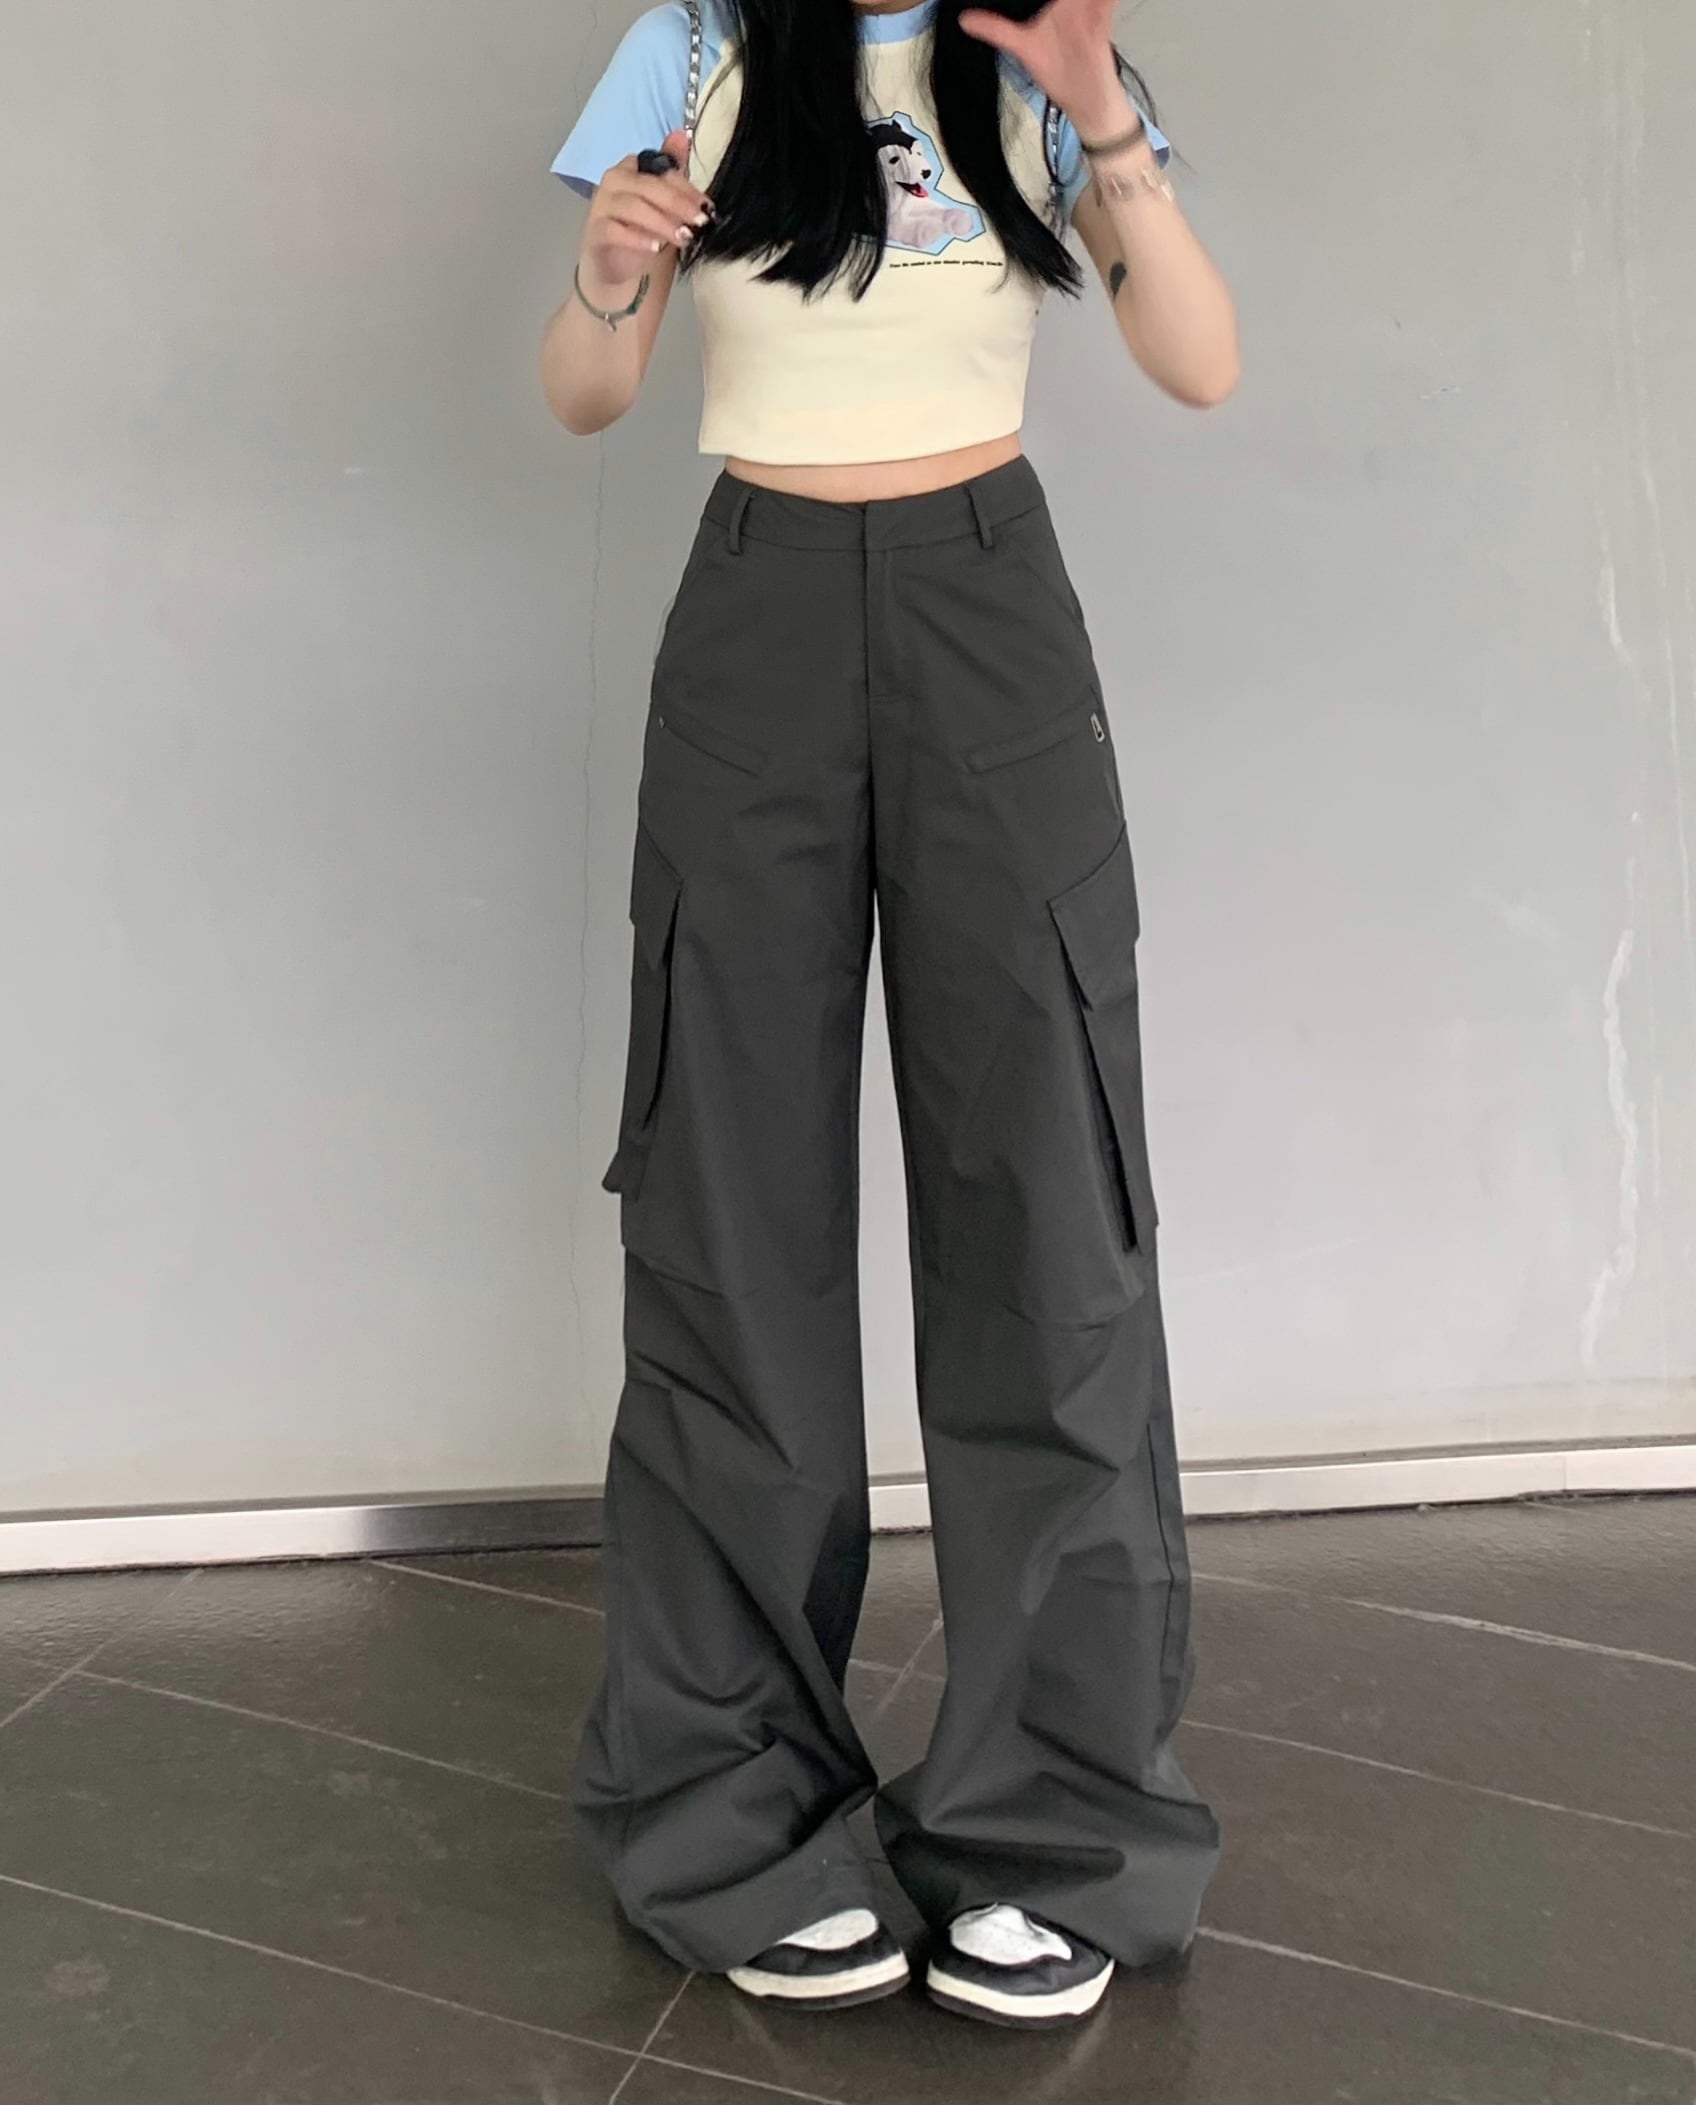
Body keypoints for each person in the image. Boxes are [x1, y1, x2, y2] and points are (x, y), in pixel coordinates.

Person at [542, 0, 1238, 2031]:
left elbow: (1198, 359)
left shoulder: (1039, 50)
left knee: (1048, 1206)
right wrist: (604, 279)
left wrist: (1106, 126)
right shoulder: (688, 45)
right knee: (726, 1209)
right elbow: (582, 390)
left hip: (983, 595)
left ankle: (1056, 1832)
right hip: (754, 601)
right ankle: (729, 1813)